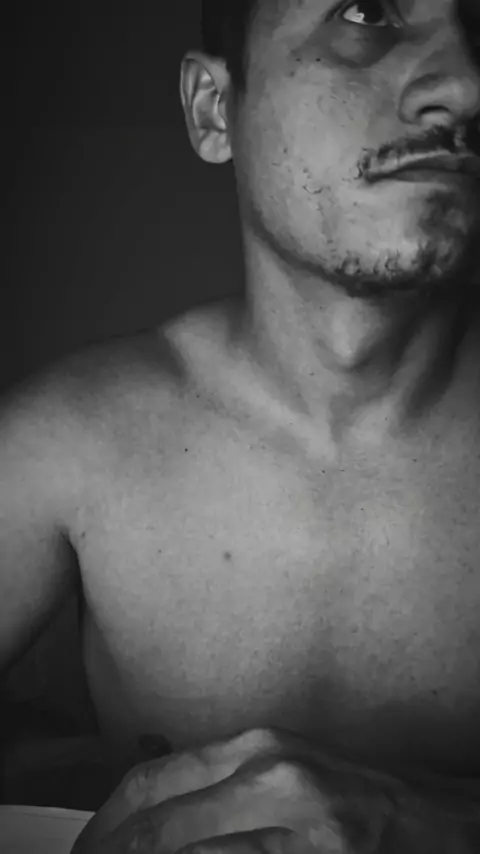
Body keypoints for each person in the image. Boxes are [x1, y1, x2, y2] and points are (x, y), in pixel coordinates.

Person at [2, 0, 480, 849]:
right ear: (214, 109)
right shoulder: (65, 445)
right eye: (367, 11)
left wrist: (433, 825)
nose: (467, 86)